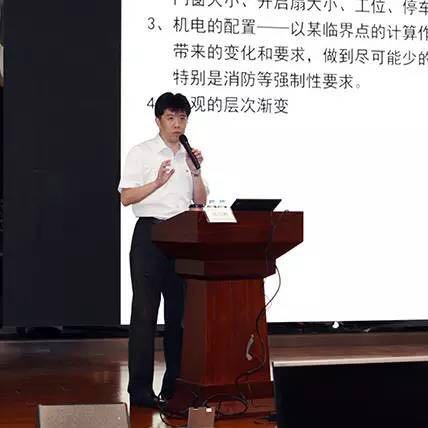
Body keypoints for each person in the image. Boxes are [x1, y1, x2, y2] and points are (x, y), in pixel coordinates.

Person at [118, 92, 208, 408]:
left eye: (182, 118)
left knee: (179, 316)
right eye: (171, 117)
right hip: (150, 236)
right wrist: (156, 183)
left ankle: (174, 385)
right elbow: (126, 197)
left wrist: (196, 172)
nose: (177, 124)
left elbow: (200, 201)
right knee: (145, 314)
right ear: (158, 120)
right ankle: (140, 390)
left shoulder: (188, 156)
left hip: (182, 239)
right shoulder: (141, 152)